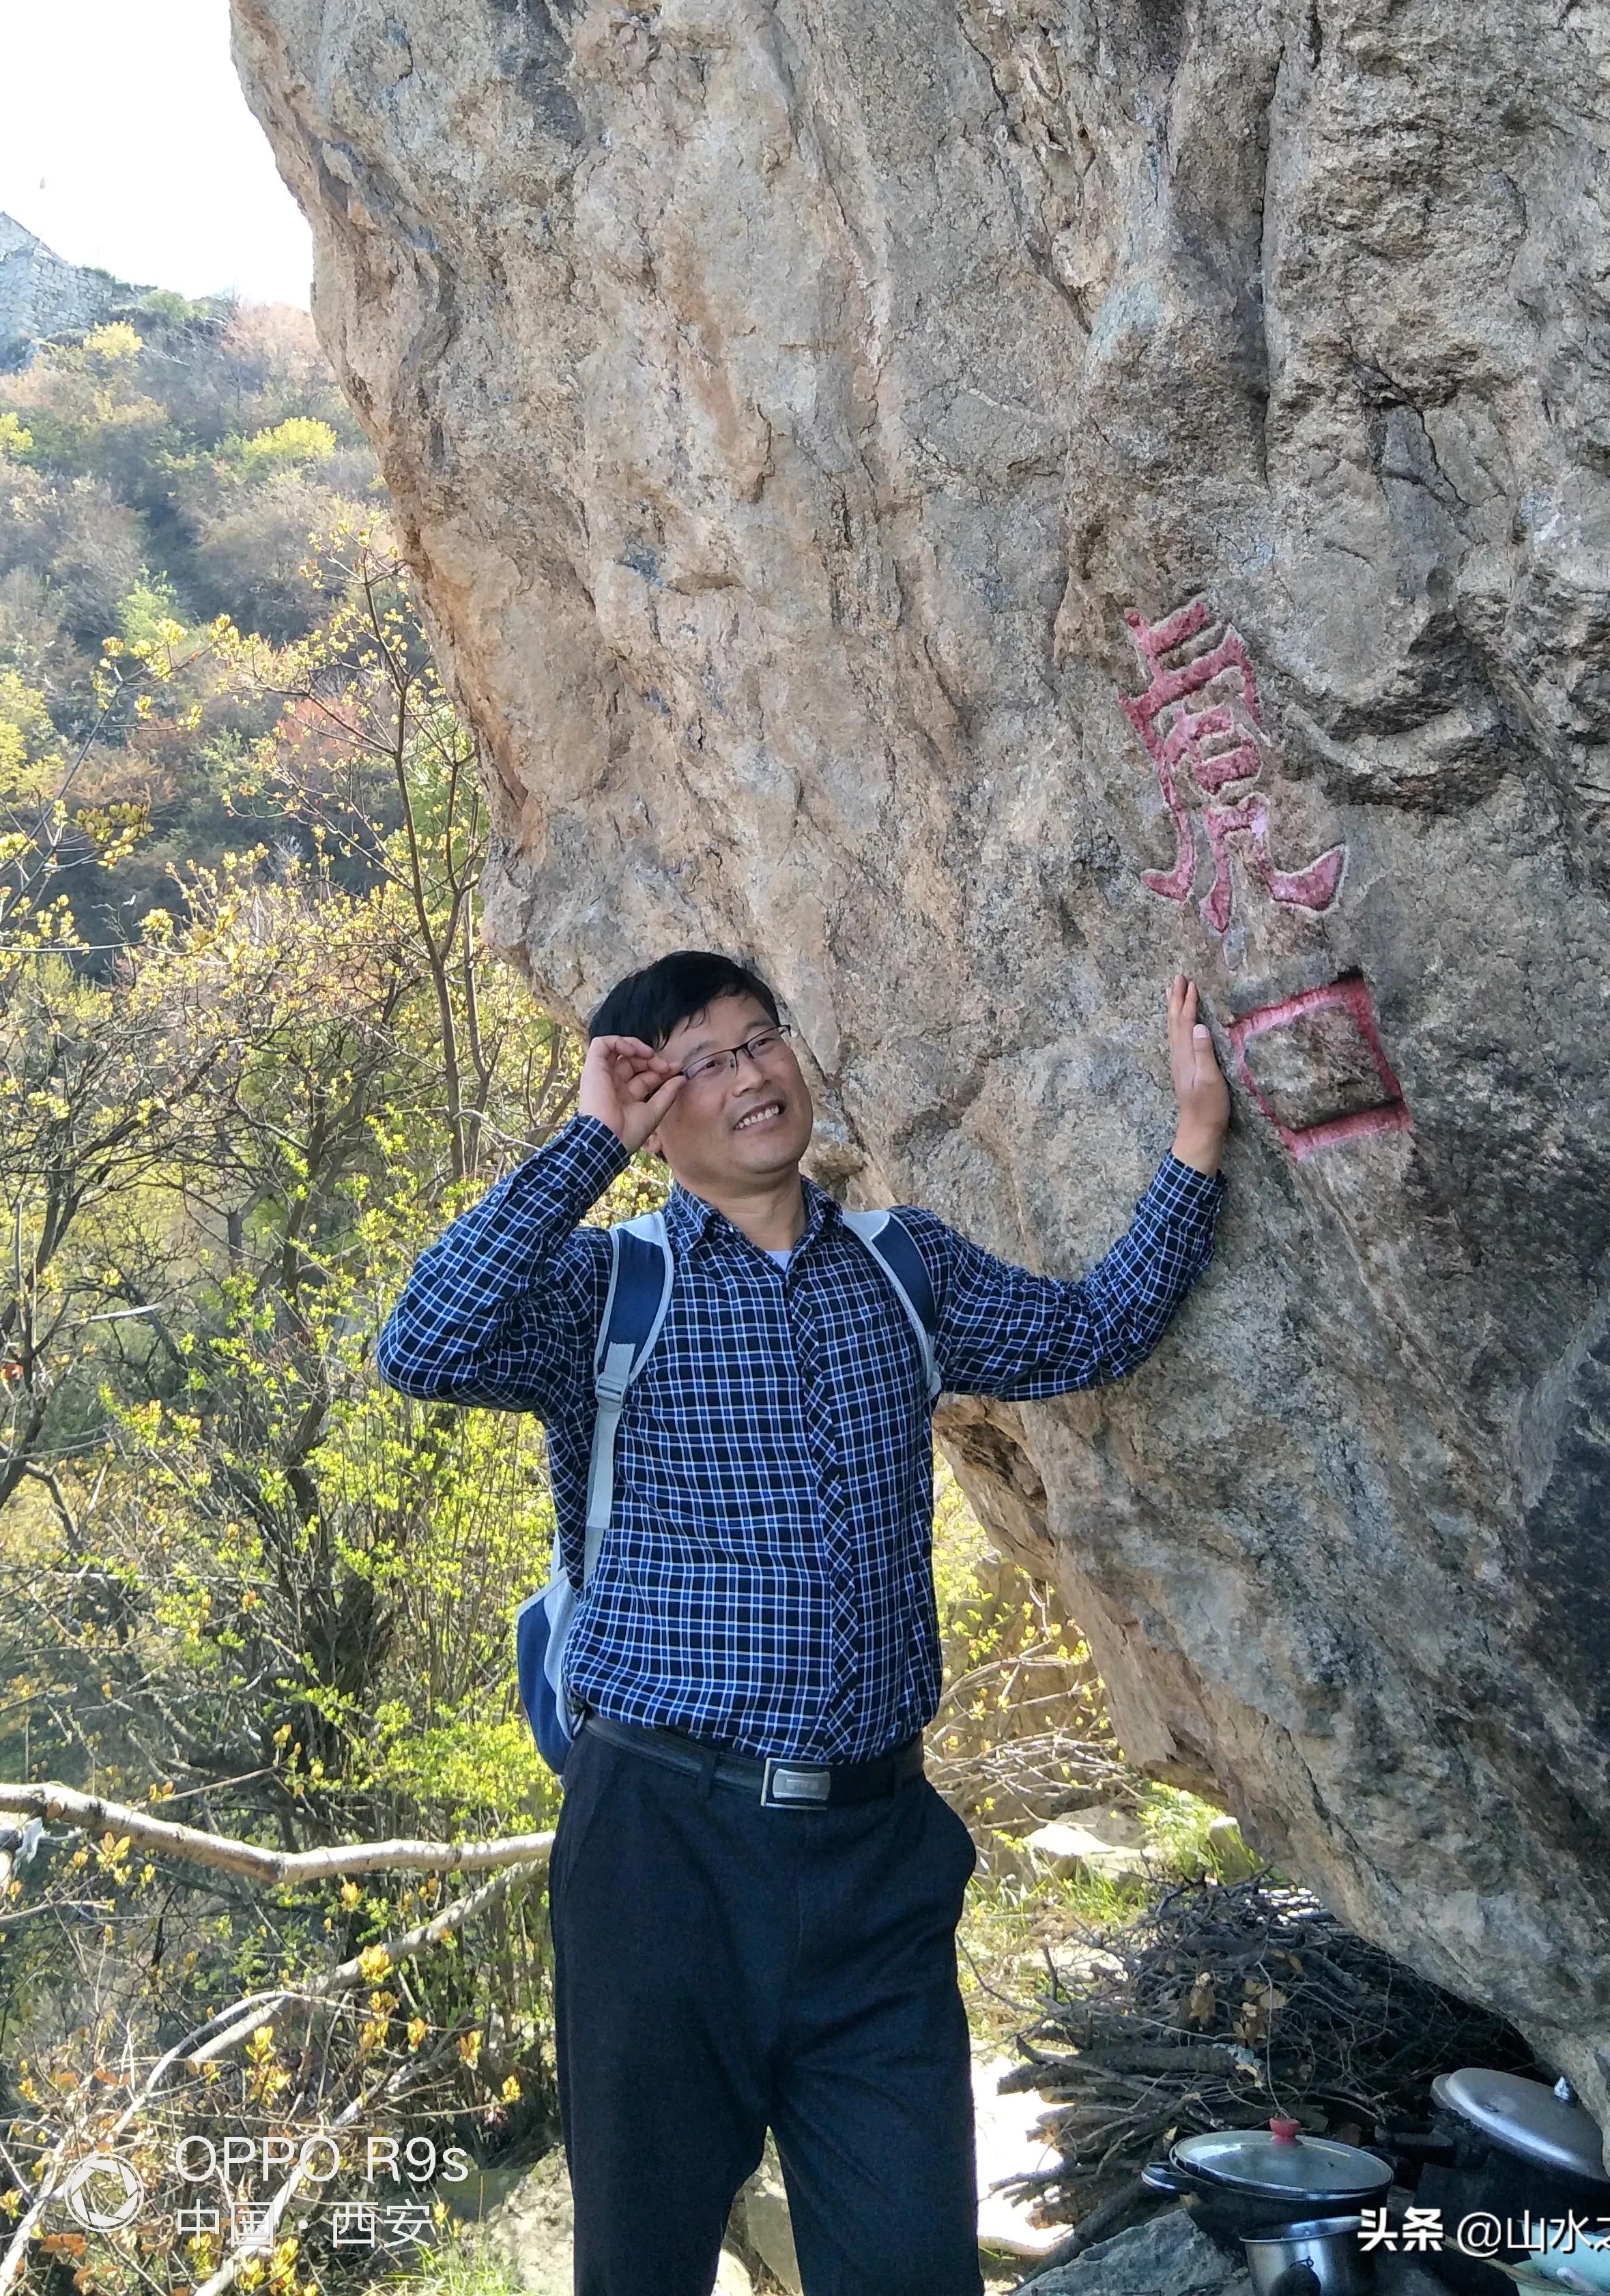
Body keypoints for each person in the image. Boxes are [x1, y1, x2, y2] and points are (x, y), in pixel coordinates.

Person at [375, 950, 1230, 2296]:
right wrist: (586, 1144)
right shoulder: (608, 1291)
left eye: (760, 1038)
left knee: (910, 2266)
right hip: (662, 1853)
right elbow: (422, 1344)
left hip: (878, 1859)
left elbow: (1089, 1332)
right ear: (655, 1111)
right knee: (642, 2271)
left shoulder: (904, 1267)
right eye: (702, 1062)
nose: (751, 1075)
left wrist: (1197, 1136)